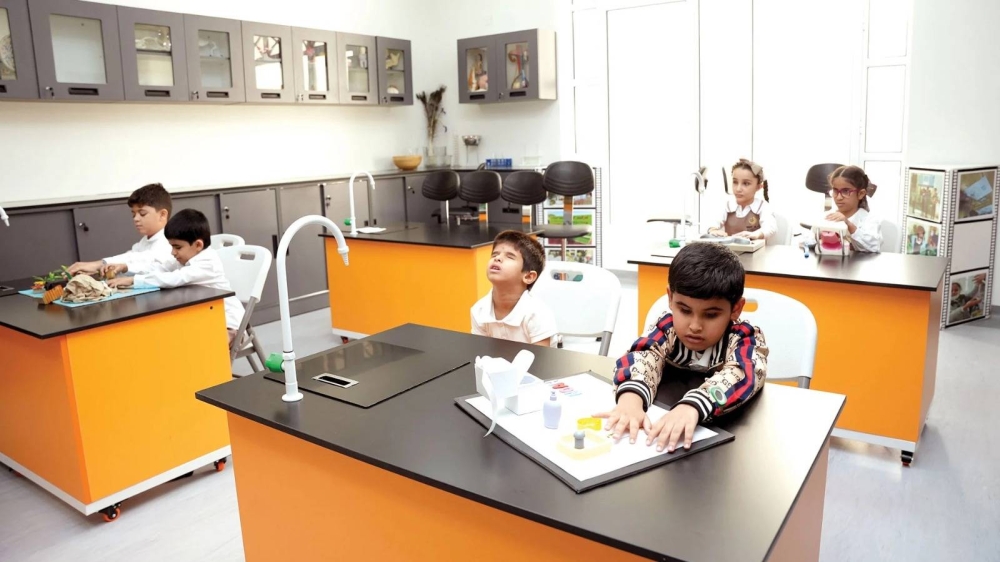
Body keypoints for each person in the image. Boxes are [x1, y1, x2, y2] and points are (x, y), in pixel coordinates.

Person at [596, 243, 768, 453]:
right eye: (685, 310)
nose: (695, 326)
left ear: (736, 309)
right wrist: (631, 398)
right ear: (670, 298)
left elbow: (743, 374)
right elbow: (642, 355)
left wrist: (692, 406)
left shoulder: (744, 337)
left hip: (723, 438)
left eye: (711, 315)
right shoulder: (666, 327)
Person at [106, 209, 245, 343]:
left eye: (177, 247)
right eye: (171, 247)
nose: (173, 252)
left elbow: (174, 278)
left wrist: (133, 280)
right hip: (202, 317)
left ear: (198, 245)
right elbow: (160, 267)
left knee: (203, 344)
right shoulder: (186, 257)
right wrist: (127, 267)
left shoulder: (208, 262)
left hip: (227, 323)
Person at [471, 230, 557, 346]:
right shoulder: (479, 310)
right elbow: (479, 351)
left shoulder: (537, 314)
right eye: (494, 254)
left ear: (528, 276)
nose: (497, 258)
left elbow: (541, 357)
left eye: (510, 257)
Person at [68, 183, 173, 276]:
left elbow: (145, 259)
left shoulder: (169, 240)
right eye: (133, 214)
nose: (136, 219)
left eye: (142, 213)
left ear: (162, 215)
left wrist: (100, 264)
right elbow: (131, 256)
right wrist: (101, 268)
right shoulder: (146, 240)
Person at [706, 159, 776, 241]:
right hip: (730, 249)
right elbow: (713, 222)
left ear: (758, 187)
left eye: (746, 183)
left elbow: (770, 228)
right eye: (735, 182)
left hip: (755, 249)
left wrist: (756, 234)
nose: (738, 189)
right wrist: (713, 230)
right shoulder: (726, 205)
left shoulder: (763, 207)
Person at [824, 165, 882, 253]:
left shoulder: (870, 220)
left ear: (861, 194)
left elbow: (873, 247)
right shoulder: (827, 216)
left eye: (845, 191)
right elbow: (807, 241)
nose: (839, 197)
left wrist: (848, 224)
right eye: (835, 191)